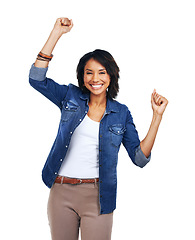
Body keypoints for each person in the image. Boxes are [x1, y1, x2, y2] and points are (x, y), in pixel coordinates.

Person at [29, 17, 168, 240]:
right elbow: (36, 79)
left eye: (102, 72)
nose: (95, 79)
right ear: (82, 76)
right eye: (89, 72)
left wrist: (157, 117)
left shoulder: (121, 113)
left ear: (111, 75)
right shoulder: (70, 97)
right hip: (61, 190)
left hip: (98, 196)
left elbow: (140, 158)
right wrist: (56, 33)